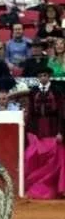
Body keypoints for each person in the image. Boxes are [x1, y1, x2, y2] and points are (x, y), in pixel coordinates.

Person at [22, 66, 65, 199]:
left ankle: (57, 189)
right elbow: (30, 113)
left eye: (45, 75)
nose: (43, 78)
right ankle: (36, 189)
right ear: (38, 78)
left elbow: (62, 113)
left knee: (56, 159)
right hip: (38, 130)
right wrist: (28, 131)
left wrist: (61, 132)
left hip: (53, 129)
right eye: (40, 76)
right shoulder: (33, 92)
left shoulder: (57, 92)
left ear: (49, 77)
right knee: (32, 157)